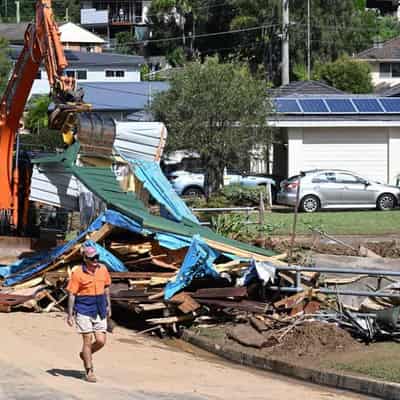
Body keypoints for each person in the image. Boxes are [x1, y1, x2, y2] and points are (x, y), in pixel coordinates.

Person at [66, 243, 112, 383]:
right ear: (85, 259)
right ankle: (89, 370)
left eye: (97, 257)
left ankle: (85, 354)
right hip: (84, 308)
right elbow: (72, 294)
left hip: (99, 307)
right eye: (92, 258)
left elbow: (106, 288)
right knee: (87, 339)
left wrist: (109, 305)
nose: (95, 260)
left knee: (100, 341)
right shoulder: (77, 273)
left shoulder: (103, 269)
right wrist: (69, 314)